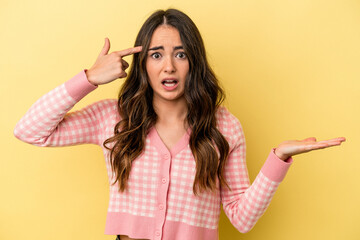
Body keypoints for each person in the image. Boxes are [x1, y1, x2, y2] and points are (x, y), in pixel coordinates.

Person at [14, 8, 345, 240]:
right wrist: (88, 79)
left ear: (194, 62)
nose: (169, 66)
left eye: (181, 54)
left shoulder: (223, 127)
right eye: (157, 54)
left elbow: (242, 219)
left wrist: (279, 159)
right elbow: (29, 130)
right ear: (143, 63)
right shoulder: (113, 117)